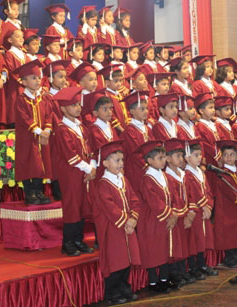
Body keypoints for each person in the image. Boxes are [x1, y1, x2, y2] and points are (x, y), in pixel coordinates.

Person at [93, 140, 141, 305]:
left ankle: (124, 288)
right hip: (113, 229)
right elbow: (109, 207)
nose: (121, 164)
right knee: (116, 262)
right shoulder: (103, 184)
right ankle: (111, 293)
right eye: (117, 160)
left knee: (127, 260)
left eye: (122, 160)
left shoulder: (124, 180)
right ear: (105, 163)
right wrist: (127, 221)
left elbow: (134, 200)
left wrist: (133, 218)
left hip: (127, 227)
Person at [50, 86, 96, 256]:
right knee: (72, 206)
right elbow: (70, 155)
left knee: (82, 205)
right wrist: (89, 168)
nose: (78, 108)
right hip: (70, 173)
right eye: (73, 105)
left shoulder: (81, 127)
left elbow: (90, 149)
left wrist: (92, 167)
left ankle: (78, 240)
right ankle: (68, 243)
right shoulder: (62, 129)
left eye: (78, 105)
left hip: (84, 172)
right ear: (63, 109)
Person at [136, 140, 178, 293]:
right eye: (160, 158)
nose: (164, 160)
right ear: (149, 160)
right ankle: (153, 282)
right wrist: (170, 214)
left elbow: (174, 196)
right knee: (153, 251)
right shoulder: (147, 179)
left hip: (165, 218)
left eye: (164, 157)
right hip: (152, 220)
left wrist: (174, 213)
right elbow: (154, 201)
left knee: (164, 249)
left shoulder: (165, 177)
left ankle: (164, 279)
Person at [13, 60, 54, 205]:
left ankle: (39, 190)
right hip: (27, 138)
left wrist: (47, 130)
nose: (38, 81)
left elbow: (49, 115)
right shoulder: (21, 100)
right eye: (33, 78)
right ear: (24, 82)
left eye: (39, 78)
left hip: (41, 137)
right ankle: (29, 192)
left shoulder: (43, 98)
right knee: (28, 162)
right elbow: (24, 118)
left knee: (41, 163)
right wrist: (39, 131)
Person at [211, 139, 237, 267]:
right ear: (222, 157)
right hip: (227, 207)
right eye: (226, 155)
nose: (229, 158)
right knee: (229, 232)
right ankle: (229, 257)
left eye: (232, 154)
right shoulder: (222, 173)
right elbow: (228, 189)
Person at [182, 138, 218, 278]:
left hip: (204, 212)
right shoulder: (187, 174)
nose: (200, 157)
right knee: (195, 240)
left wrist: (209, 207)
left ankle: (202, 264)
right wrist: (204, 207)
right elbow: (193, 193)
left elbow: (208, 191)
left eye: (200, 154)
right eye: (196, 155)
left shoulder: (200, 172)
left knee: (204, 239)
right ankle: (193, 266)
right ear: (187, 157)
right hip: (196, 212)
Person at [164, 138, 195, 287]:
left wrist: (191, 212)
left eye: (182, 156)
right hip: (176, 216)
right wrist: (184, 214)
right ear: (168, 159)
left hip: (185, 215)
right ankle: (175, 273)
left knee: (185, 245)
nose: (181, 159)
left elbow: (191, 195)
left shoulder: (183, 175)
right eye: (178, 156)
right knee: (175, 246)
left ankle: (184, 270)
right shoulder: (167, 177)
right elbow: (173, 199)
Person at [119, 90, 152, 193]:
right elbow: (135, 153)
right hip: (136, 170)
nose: (146, 111)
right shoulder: (130, 131)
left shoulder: (148, 129)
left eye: (146, 108)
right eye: (142, 109)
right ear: (132, 111)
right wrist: (150, 165)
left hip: (150, 168)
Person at [2, 27, 26, 127]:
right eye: (18, 37)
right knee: (14, 108)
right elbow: (11, 70)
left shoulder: (24, 54)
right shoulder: (9, 54)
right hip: (14, 86)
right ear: (10, 40)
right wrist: (22, 81)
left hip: (24, 86)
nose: (21, 39)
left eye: (22, 37)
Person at [100, 64, 129, 133]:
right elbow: (111, 116)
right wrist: (121, 129)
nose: (119, 83)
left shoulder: (120, 94)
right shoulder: (106, 96)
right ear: (107, 82)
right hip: (115, 130)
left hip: (125, 128)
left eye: (120, 81)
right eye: (116, 81)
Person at [193, 93, 220, 166]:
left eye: (214, 108)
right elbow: (207, 145)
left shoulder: (215, 124)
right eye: (210, 108)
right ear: (201, 111)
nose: (213, 110)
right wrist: (219, 156)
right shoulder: (200, 126)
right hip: (211, 160)